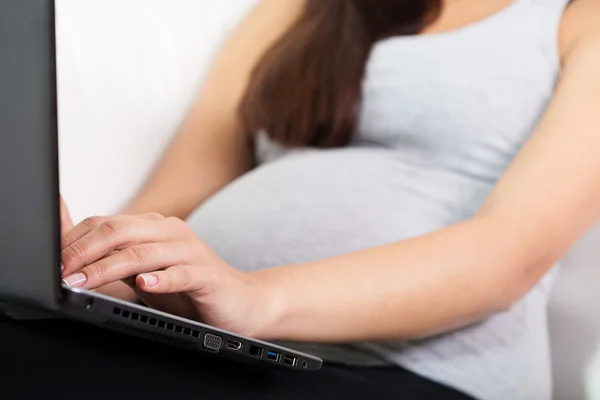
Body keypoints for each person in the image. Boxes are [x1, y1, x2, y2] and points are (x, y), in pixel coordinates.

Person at [4, 0, 599, 398]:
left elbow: (508, 255)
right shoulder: (300, 10)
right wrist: (73, 263)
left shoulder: (577, 17)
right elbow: (176, 200)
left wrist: (257, 298)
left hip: (413, 371)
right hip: (224, 347)